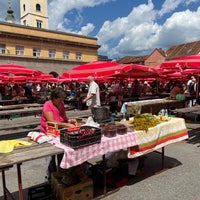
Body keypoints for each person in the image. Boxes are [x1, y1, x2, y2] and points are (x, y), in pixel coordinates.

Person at [40, 87, 76, 181]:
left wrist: (69, 121)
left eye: (62, 100)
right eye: (60, 100)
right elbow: (51, 121)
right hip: (48, 133)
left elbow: (63, 117)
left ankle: (61, 175)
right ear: (54, 98)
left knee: (61, 154)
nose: (61, 102)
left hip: (59, 133)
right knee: (50, 158)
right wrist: (66, 124)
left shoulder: (61, 104)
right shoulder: (47, 105)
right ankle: (51, 178)